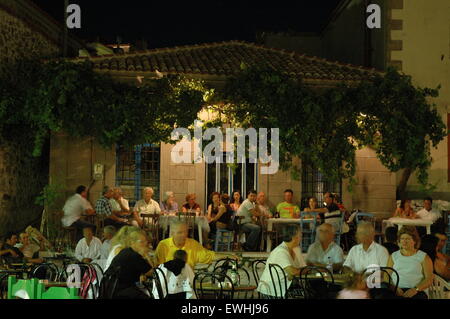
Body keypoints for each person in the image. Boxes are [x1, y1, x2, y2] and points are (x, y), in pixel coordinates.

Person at [155, 220, 237, 269]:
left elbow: (210, 256)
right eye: (180, 232)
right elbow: (158, 267)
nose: (183, 235)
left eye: (185, 232)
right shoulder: (163, 245)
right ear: (172, 233)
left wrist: (228, 256)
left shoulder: (193, 244)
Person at [257, 225, 306, 298]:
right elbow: (293, 272)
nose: (301, 237)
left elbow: (301, 268)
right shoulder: (280, 251)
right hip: (273, 290)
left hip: (286, 286)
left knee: (309, 292)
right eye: (300, 235)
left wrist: (305, 269)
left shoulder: (296, 249)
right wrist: (307, 270)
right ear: (294, 237)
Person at [387, 226, 433, 299]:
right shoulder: (393, 256)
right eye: (402, 238)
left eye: (408, 239)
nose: (404, 241)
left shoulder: (423, 257)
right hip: (396, 290)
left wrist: (415, 289)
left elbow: (429, 279)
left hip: (417, 291)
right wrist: (394, 288)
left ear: (414, 241)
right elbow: (387, 276)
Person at [107, 228, 154, 299]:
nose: (145, 244)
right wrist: (147, 256)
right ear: (132, 243)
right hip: (118, 290)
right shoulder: (133, 256)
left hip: (110, 286)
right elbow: (152, 272)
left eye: (146, 242)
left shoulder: (126, 251)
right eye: (141, 242)